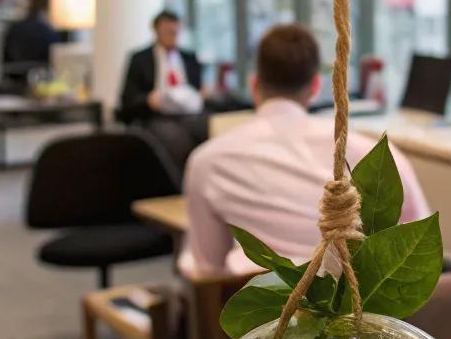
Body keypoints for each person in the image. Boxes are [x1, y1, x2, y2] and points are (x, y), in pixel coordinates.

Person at [182, 22, 429, 273]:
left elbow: (208, 268)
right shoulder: (372, 156)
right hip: (356, 305)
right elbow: (419, 246)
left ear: (254, 85)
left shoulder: (209, 160)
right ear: (314, 87)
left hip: (265, 306)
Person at [119, 9, 209, 175]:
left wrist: (202, 94)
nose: (172, 35)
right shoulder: (140, 60)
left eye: (175, 31)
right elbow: (127, 100)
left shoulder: (189, 58)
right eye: (168, 31)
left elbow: (199, 90)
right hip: (157, 116)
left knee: (208, 129)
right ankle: (178, 186)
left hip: (190, 113)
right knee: (174, 138)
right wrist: (148, 99)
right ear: (156, 30)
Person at [1, 0, 60, 80]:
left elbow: (4, 56)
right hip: (43, 77)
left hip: (15, 77)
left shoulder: (15, 28)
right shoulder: (48, 31)